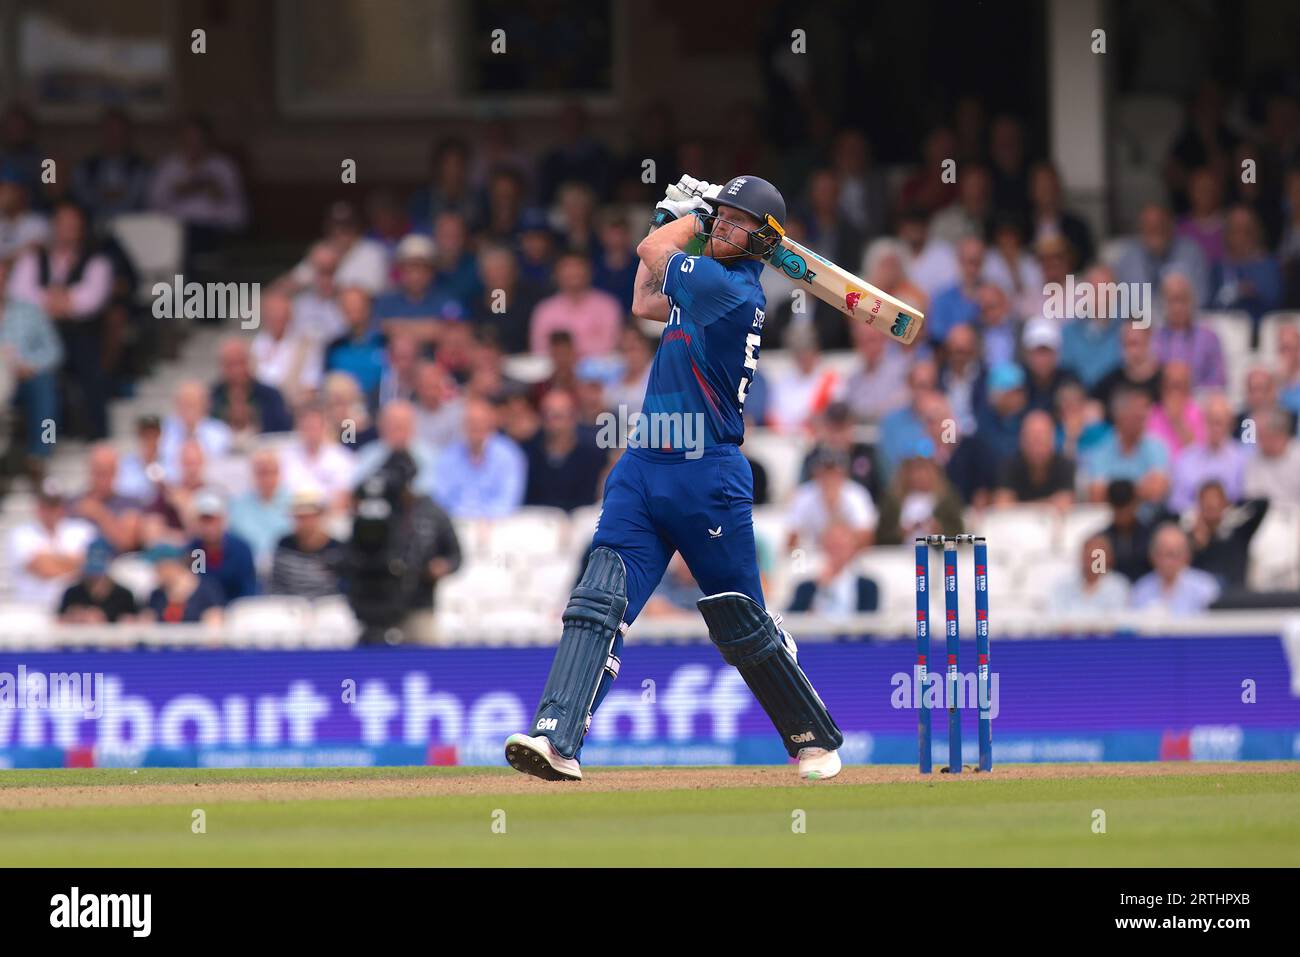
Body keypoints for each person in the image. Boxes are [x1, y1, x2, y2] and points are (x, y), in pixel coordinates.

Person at [505, 174, 845, 783]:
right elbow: (642, 300)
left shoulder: (732, 289)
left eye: (739, 222)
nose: (725, 227)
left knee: (739, 620)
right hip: (642, 466)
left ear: (763, 242)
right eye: (724, 216)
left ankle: (814, 738)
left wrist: (689, 216)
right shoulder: (701, 285)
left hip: (706, 472)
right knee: (596, 600)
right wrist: (677, 217)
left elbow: (651, 254)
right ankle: (556, 739)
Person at [7, 479, 97, 610]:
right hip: (33, 608)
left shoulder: (82, 529)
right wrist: (73, 564)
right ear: (37, 507)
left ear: (62, 506)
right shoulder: (21, 534)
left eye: (54, 505)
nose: (50, 511)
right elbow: (41, 568)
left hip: (74, 609)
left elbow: (89, 566)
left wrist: (50, 560)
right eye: (45, 505)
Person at [523, 390, 608, 512]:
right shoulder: (528, 453)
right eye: (547, 415)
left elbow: (590, 500)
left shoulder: (592, 456)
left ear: (574, 416)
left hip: (577, 521)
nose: (553, 423)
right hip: (536, 519)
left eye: (559, 416)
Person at [1188, 481, 1267, 591]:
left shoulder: (1238, 531)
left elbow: (1262, 504)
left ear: (1224, 503)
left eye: (1215, 499)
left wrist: (1233, 507)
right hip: (1204, 599)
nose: (1211, 504)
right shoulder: (1189, 537)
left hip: (1234, 598)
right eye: (1206, 500)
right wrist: (1196, 544)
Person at [268, 487, 344, 598]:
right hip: (289, 608)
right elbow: (276, 585)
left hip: (327, 609)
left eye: (309, 516)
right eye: (300, 517)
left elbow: (342, 589)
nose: (304, 522)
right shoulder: (284, 544)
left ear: (320, 516)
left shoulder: (337, 549)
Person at [787, 522, 879, 615]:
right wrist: (820, 589)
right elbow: (791, 619)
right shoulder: (806, 588)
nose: (837, 552)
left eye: (842, 546)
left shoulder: (868, 587)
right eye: (832, 545)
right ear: (824, 547)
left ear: (853, 548)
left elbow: (869, 622)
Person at [1129, 523, 1221, 615]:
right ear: (1152, 556)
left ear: (1187, 555)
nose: (1167, 561)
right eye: (1161, 554)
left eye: (1173, 554)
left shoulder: (1205, 587)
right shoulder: (1141, 589)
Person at [185, 488, 258, 604]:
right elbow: (197, 585)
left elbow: (248, 587)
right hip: (207, 614)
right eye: (204, 521)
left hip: (237, 610)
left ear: (223, 520)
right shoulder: (195, 550)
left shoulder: (241, 549)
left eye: (213, 520)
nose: (209, 526)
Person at [142, 540, 225, 625]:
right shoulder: (157, 595)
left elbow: (216, 623)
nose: (156, 572)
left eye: (159, 567)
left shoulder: (207, 591)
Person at [59, 538, 138, 623]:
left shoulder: (124, 596)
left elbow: (135, 622)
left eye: (100, 575)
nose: (95, 579)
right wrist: (76, 617)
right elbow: (59, 621)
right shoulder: (73, 594)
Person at [1049, 534, 1130, 615]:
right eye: (1088, 555)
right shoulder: (1062, 586)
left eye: (1097, 556)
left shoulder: (1118, 586)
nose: (1091, 561)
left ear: (1109, 558)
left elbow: (1117, 620)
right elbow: (1054, 618)